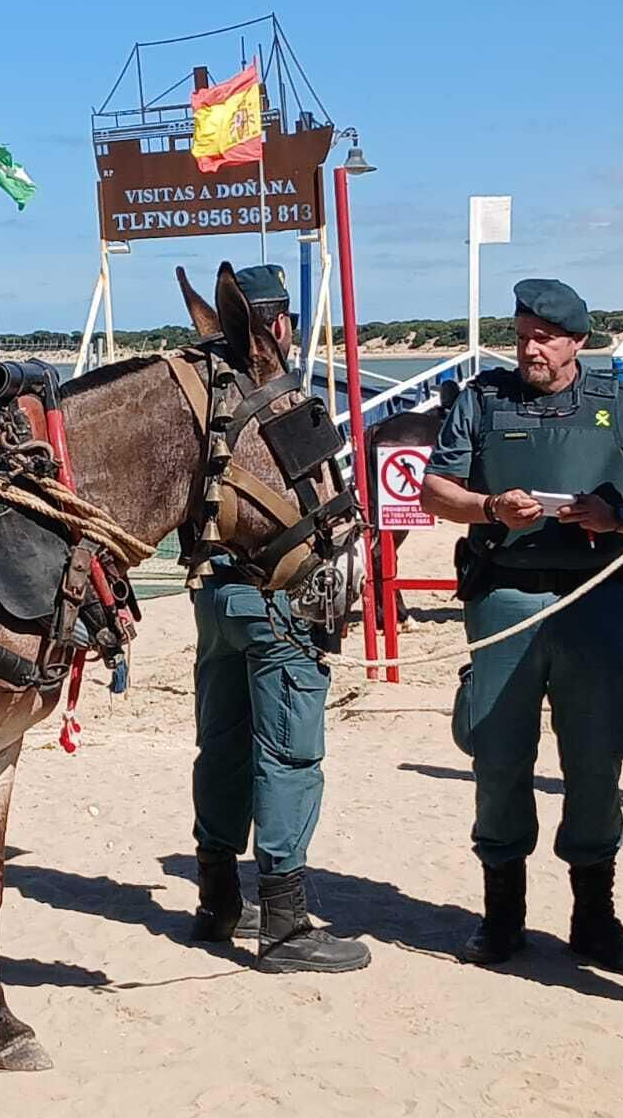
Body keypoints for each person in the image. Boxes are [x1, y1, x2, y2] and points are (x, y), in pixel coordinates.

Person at [422, 279, 623, 971]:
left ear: (578, 343)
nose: (531, 346)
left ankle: (595, 918)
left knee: (595, 758)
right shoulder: (482, 400)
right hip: (504, 598)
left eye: (545, 335)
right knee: (499, 757)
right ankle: (502, 918)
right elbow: (435, 490)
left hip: (594, 601)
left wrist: (614, 516)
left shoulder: (621, 408)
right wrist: (490, 507)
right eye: (523, 332)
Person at [188, 264, 371, 975]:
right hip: (276, 597)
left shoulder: (209, 404)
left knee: (223, 748)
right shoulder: (284, 403)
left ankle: (218, 901)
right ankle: (286, 923)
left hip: (217, 598)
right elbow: (331, 521)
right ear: (279, 326)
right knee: (289, 754)